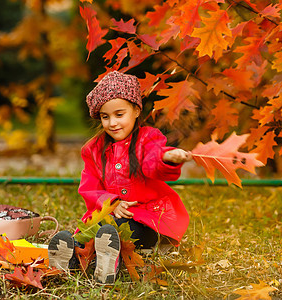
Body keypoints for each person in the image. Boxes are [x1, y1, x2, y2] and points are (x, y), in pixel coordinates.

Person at [48, 71, 192, 284]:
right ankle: (71, 257)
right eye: (105, 117)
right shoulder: (94, 149)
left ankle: (108, 263)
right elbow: (89, 187)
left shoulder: (148, 139)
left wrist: (166, 157)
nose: (112, 123)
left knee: (118, 233)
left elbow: (152, 162)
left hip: (148, 220)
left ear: (135, 110)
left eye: (119, 114)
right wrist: (111, 203)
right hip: (110, 216)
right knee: (93, 233)